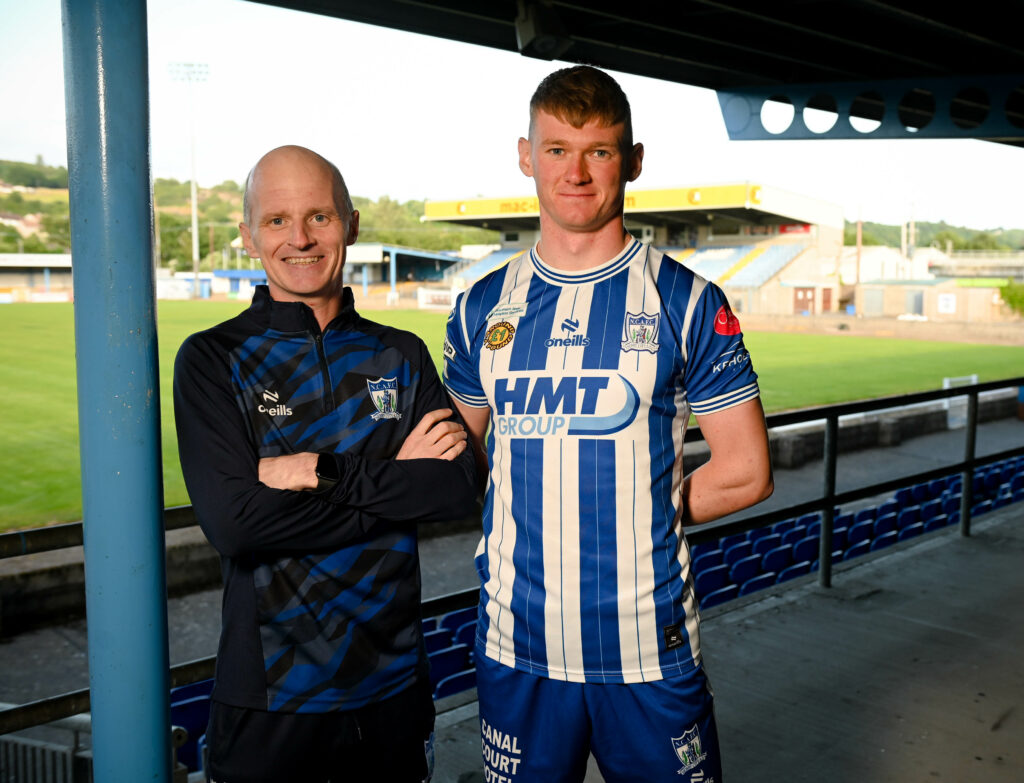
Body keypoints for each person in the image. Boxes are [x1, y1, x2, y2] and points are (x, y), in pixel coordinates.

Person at [442, 66, 774, 782]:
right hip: (516, 644)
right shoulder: (480, 306)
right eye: (557, 149)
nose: (577, 171)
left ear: (634, 160)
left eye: (600, 150)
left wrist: (642, 510)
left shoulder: (686, 300)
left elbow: (746, 471)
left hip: (647, 648)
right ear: (526, 156)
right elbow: (457, 457)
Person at [173, 145, 478, 783]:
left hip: (392, 688)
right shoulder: (212, 358)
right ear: (249, 237)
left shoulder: (400, 353)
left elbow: (454, 486)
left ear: (353, 225)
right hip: (271, 700)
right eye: (278, 220)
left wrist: (322, 471)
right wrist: (397, 489)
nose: (301, 238)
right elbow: (238, 526)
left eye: (320, 216)